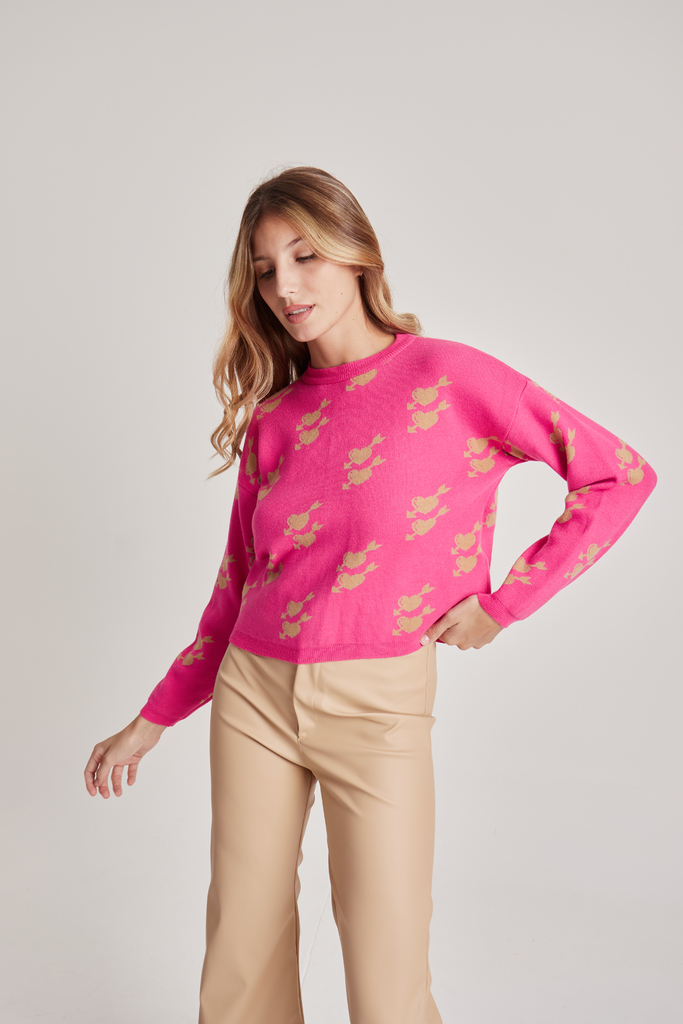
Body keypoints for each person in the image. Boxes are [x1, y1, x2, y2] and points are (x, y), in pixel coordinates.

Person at [84, 166, 656, 1024]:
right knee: (240, 951)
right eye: (264, 269)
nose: (285, 287)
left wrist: (503, 606)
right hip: (252, 695)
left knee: (386, 970)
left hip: (380, 700)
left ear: (356, 254)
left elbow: (618, 476)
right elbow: (235, 589)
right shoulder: (275, 418)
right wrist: (154, 716)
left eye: (305, 256)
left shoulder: (450, 377)